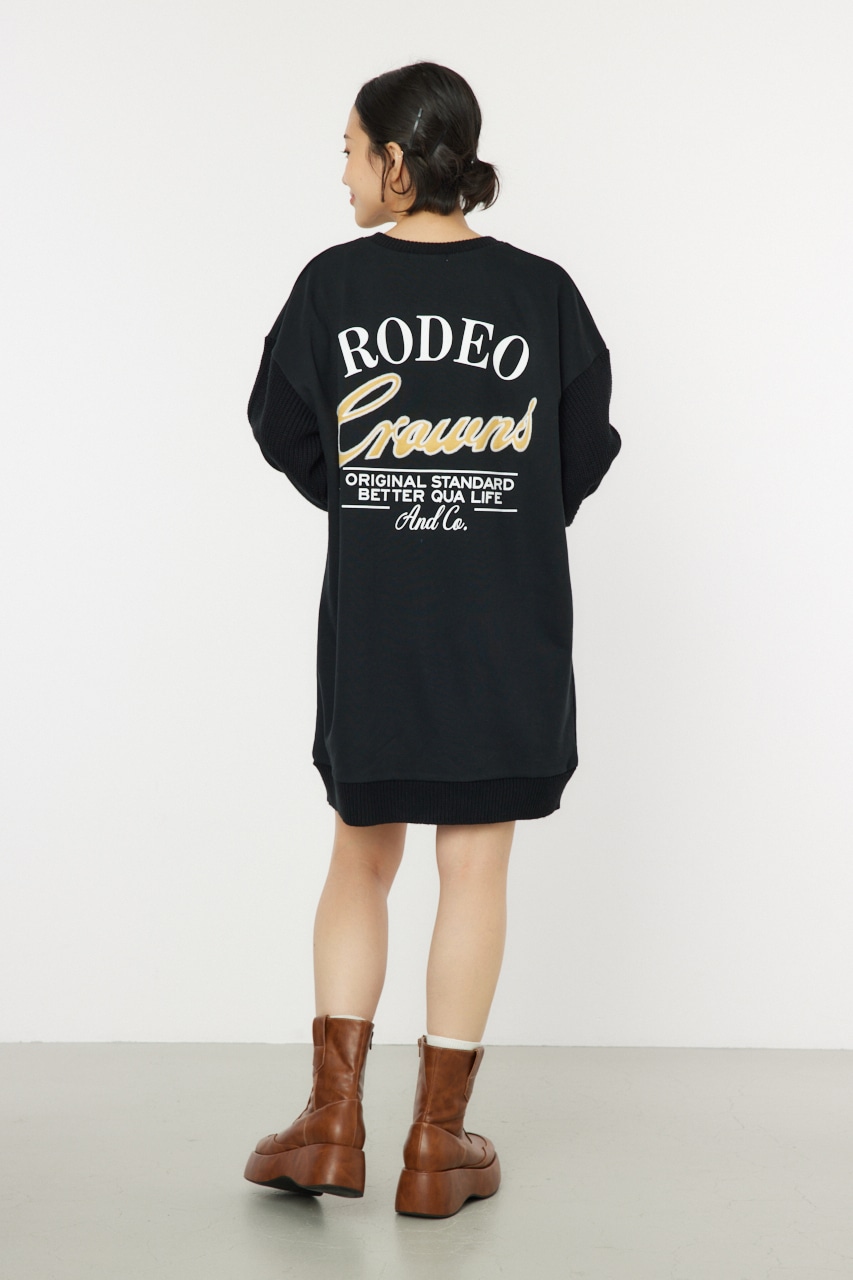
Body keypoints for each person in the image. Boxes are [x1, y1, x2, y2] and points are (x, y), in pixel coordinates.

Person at [242, 60, 622, 1218]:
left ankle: (331, 1121)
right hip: (504, 624)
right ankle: (435, 1142)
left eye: (350, 151)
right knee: (475, 863)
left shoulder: (331, 287)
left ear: (397, 162)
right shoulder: (542, 294)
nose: (343, 174)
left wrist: (374, 499)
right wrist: (497, 514)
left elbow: (279, 424)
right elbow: (583, 448)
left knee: (360, 854)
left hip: (377, 628)